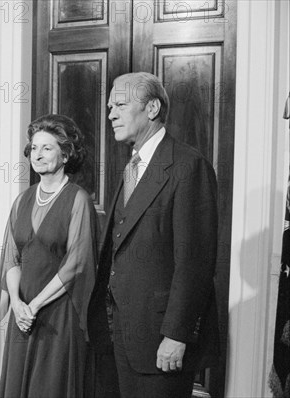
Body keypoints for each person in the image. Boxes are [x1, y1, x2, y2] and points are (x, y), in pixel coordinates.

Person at [88, 72, 219, 398]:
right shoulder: (131, 166)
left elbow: (195, 263)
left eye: (120, 104)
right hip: (117, 337)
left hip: (161, 341)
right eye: (109, 107)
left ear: (152, 108)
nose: (110, 115)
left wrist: (177, 336)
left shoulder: (188, 166)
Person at [0, 114, 99, 398]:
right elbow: (12, 258)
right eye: (33, 148)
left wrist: (35, 306)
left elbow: (77, 264)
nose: (37, 155)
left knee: (49, 386)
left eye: (47, 148)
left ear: (65, 154)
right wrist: (18, 304)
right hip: (23, 314)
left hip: (58, 314)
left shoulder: (78, 199)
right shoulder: (23, 199)